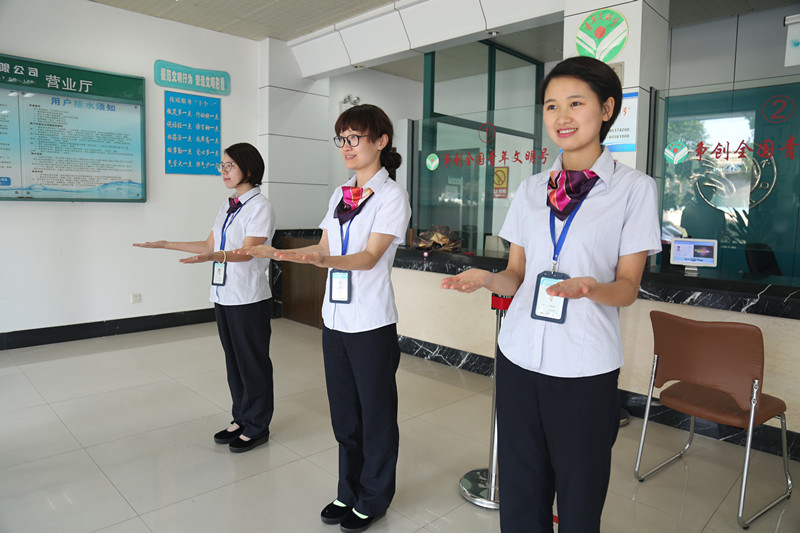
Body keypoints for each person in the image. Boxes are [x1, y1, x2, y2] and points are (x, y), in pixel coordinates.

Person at [441, 56, 661, 533]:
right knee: (521, 492)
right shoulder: (531, 189)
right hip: (519, 357)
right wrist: (488, 279)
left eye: (575, 103)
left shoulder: (634, 190)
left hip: (583, 367)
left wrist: (591, 288)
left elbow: (627, 288)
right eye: (551, 106)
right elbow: (517, 275)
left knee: (580, 497)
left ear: (607, 109)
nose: (561, 116)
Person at [236, 104, 410, 533]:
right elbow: (324, 247)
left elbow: (369, 257)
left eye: (355, 138)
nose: (346, 147)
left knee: (376, 415)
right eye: (342, 139)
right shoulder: (340, 194)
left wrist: (320, 259)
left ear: (381, 141)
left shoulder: (391, 196)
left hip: (370, 322)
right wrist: (281, 253)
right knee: (345, 414)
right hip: (334, 319)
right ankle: (347, 490)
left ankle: (373, 497)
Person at [133, 142, 276, 454]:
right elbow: (209, 245)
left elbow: (248, 252)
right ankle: (241, 417)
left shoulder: (260, 207)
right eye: (222, 165)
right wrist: (166, 244)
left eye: (229, 165)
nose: (223, 171)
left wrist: (215, 256)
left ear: (248, 169)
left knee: (252, 362)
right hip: (224, 294)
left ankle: (258, 425)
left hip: (248, 297)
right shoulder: (228, 206)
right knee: (233, 360)